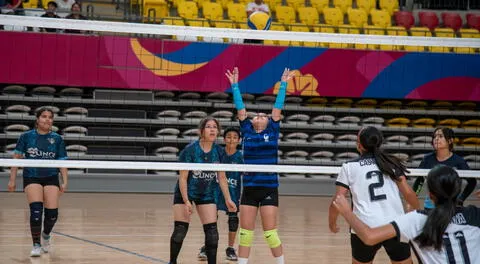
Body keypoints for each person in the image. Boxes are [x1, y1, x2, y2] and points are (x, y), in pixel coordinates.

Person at [333, 165, 480, 264]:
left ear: (430, 195)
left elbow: (369, 237)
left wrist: (347, 212)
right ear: (458, 191)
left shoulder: (416, 220)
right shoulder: (475, 214)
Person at [226, 67, 294, 264]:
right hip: (249, 188)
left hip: (268, 188)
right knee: (245, 234)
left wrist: (283, 84)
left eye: (264, 115)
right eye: (257, 115)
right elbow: (240, 110)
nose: (259, 115)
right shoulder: (247, 130)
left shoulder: (273, 130)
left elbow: (277, 108)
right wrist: (235, 86)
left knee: (270, 234)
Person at [328, 126, 420, 264]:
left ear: (359, 144)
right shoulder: (391, 163)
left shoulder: (349, 166)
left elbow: (338, 199)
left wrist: (332, 223)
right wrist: (416, 211)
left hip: (364, 227)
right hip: (395, 226)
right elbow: (408, 193)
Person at [169, 117, 237, 264]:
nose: (212, 129)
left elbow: (222, 177)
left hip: (207, 192)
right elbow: (182, 178)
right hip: (185, 191)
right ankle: (172, 261)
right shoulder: (190, 151)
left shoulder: (219, 152)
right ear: (201, 131)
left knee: (212, 232)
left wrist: (228, 199)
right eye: (208, 127)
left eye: (215, 127)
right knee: (180, 230)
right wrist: (186, 201)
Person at [7, 106, 68, 257]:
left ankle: (46, 235)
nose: (47, 119)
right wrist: (12, 180)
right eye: (44, 116)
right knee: (36, 212)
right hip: (32, 176)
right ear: (37, 119)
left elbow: (62, 162)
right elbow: (16, 159)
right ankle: (36, 245)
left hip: (51, 177)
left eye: (50, 117)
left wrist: (64, 181)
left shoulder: (57, 139)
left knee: (52, 214)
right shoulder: (26, 137)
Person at [198, 127, 243, 261]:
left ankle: (230, 248)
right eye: (229, 137)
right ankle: (207, 246)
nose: (231, 139)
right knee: (211, 219)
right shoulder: (218, 153)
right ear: (224, 139)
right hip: (216, 190)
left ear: (239, 140)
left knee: (233, 220)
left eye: (235, 137)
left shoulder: (240, 157)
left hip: (233, 191)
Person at [413, 127, 475, 209]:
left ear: (450, 141)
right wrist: (413, 198)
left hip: (452, 207)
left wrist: (461, 198)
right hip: (430, 206)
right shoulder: (427, 159)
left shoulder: (459, 161)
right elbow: (419, 180)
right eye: (435, 137)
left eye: (440, 136)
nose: (436, 139)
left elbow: (472, 182)